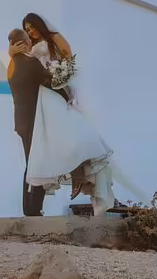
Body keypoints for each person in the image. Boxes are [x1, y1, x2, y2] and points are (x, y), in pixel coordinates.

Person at [8, 16, 116, 216]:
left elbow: (69, 60)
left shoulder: (52, 40)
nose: (30, 31)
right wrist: (12, 53)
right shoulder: (27, 56)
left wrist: (62, 79)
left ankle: (78, 176)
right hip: (42, 100)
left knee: (71, 136)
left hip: (51, 93)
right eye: (27, 29)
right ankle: (36, 206)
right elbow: (29, 70)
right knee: (45, 149)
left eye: (32, 27)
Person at [7, 28, 51, 216]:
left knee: (31, 162)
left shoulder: (11, 64)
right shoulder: (31, 63)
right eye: (28, 40)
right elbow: (50, 81)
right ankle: (34, 209)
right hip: (34, 120)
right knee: (38, 162)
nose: (31, 43)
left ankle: (29, 208)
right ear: (23, 43)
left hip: (21, 121)